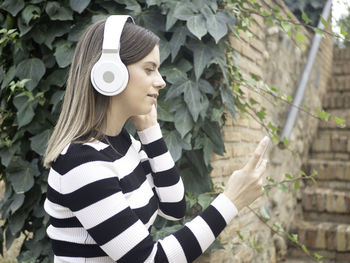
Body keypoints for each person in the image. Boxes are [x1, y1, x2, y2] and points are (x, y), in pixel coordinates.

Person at [43, 15, 268, 263]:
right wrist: (231, 200)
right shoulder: (83, 163)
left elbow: (173, 207)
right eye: (149, 69)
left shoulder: (121, 143)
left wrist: (150, 130)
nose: (161, 82)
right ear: (110, 73)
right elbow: (151, 259)